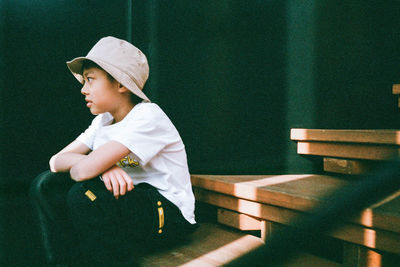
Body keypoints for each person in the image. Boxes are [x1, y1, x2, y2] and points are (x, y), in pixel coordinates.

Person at [30, 36, 197, 266]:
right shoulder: (103, 121)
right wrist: (103, 168)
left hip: (168, 215)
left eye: (90, 79)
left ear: (120, 84)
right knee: (46, 185)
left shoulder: (148, 116)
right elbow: (56, 161)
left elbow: (82, 171)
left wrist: (97, 167)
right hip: (128, 204)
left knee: (86, 195)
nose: (83, 89)